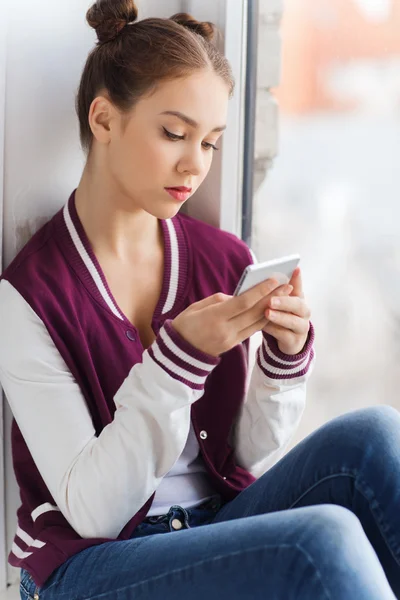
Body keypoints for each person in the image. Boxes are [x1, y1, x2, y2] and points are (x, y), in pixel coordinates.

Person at [0, 1, 398, 598]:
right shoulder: (30, 295)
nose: (195, 165)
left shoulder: (219, 258)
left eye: (210, 142)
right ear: (104, 121)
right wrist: (177, 360)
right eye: (173, 133)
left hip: (212, 525)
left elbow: (241, 450)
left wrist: (281, 362)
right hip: (91, 565)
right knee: (321, 540)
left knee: (373, 435)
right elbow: (94, 512)